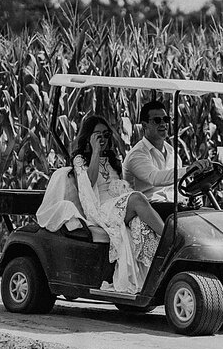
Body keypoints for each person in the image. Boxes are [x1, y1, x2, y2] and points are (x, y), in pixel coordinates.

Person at [71, 114, 165, 294]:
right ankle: (171, 238)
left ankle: (153, 274)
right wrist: (95, 151)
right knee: (138, 199)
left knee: (141, 223)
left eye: (106, 135)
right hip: (100, 207)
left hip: (117, 202)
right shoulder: (80, 159)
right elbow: (89, 184)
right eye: (98, 135)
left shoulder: (112, 158)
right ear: (90, 136)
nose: (103, 139)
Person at [123, 100, 210, 219]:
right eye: (157, 120)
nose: (163, 124)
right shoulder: (137, 154)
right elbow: (155, 178)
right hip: (149, 208)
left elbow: (180, 185)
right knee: (189, 216)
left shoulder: (171, 152)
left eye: (166, 119)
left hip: (173, 205)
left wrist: (192, 197)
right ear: (144, 125)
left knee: (210, 215)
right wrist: (189, 170)